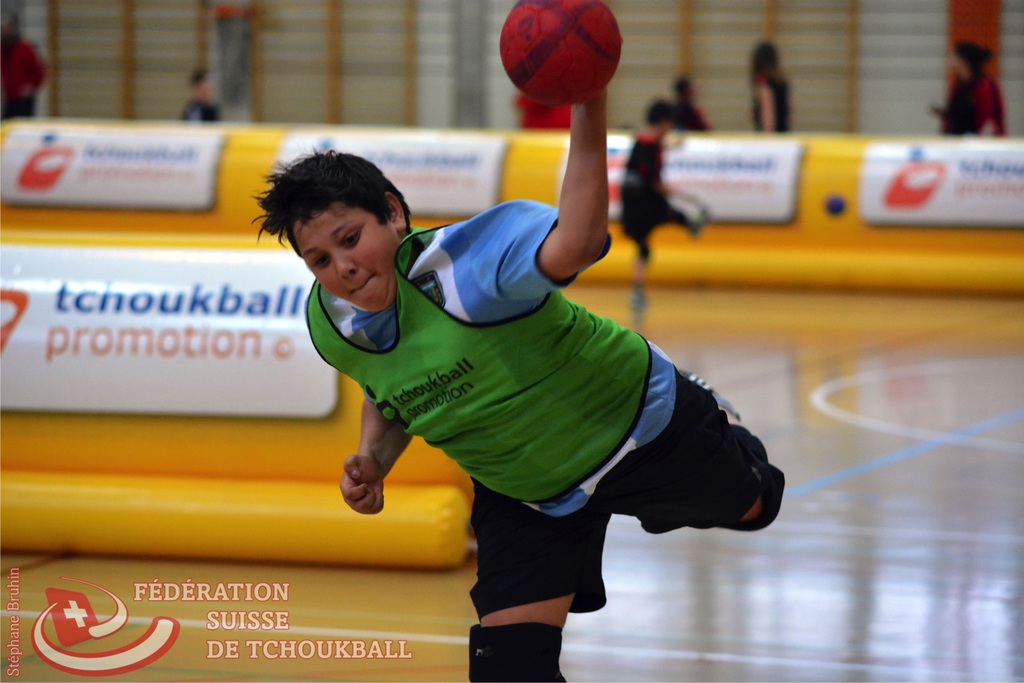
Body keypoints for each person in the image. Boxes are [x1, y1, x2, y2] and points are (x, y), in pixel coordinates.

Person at [256, 88, 784, 682]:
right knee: (509, 670)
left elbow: (578, 242)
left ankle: (722, 420)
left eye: (350, 239)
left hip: (641, 429)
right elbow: (387, 391)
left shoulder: (469, 265)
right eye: (319, 260)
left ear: (393, 212)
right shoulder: (333, 324)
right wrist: (373, 458)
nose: (342, 269)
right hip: (525, 493)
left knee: (755, 508)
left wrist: (587, 103)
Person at [621, 99, 708, 312]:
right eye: (669, 123)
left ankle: (637, 291)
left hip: (634, 204)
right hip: (644, 205)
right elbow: (654, 183)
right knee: (671, 218)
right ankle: (692, 223)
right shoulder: (649, 148)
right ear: (662, 122)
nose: (670, 128)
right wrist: (682, 194)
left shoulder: (644, 144)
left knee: (643, 247)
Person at [931, 41, 1006, 136]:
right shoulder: (958, 84)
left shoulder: (983, 86)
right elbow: (958, 116)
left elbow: (986, 122)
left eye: (951, 56)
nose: (948, 60)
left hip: (980, 144)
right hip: (958, 141)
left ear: (963, 60)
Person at [1, 15, 46, 120]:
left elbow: (39, 70)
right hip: (10, 96)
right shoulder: (3, 49)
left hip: (23, 97)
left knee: (22, 123)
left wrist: (32, 86)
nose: (4, 32)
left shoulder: (24, 48)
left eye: (6, 29)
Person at [750, 40, 789, 132]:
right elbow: (790, 110)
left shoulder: (764, 82)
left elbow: (768, 113)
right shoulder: (782, 81)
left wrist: (768, 139)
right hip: (783, 133)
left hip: (770, 139)